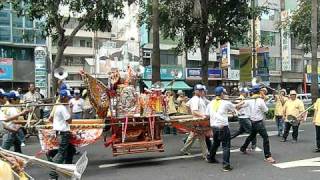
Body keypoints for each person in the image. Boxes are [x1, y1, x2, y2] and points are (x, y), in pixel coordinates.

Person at [206, 86, 242, 171]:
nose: (225, 95)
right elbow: (235, 107)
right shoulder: (225, 103)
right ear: (222, 94)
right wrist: (242, 103)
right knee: (226, 146)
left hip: (214, 127)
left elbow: (207, 115)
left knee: (216, 143)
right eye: (224, 93)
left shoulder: (210, 103)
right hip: (223, 127)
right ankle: (226, 165)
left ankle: (210, 158)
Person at [240, 85, 276, 164]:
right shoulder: (259, 100)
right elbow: (266, 110)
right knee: (265, 138)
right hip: (259, 123)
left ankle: (243, 148)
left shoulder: (249, 100)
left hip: (253, 122)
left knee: (251, 136)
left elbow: (240, 105)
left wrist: (240, 103)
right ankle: (268, 156)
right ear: (259, 91)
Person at [48, 89, 75, 180]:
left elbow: (51, 119)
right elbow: (69, 120)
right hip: (63, 133)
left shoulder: (57, 106)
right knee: (61, 153)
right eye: (68, 98)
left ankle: (68, 170)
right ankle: (53, 174)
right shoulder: (62, 108)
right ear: (64, 98)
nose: (69, 99)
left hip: (60, 132)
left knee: (71, 150)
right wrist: (71, 108)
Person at [180, 84, 208, 158]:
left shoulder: (198, 98)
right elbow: (194, 111)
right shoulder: (195, 99)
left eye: (202, 90)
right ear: (196, 91)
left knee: (193, 136)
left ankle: (184, 150)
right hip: (198, 121)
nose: (202, 91)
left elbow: (187, 105)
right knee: (201, 137)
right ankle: (205, 154)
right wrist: (202, 115)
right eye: (200, 90)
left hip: (198, 120)